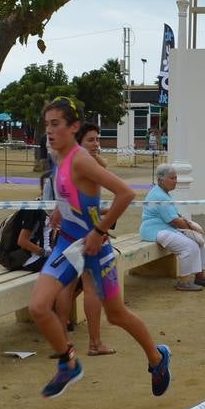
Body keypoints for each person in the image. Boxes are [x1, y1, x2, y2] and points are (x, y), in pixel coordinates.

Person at [28, 98, 171, 398]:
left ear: (73, 127)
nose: (49, 131)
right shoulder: (58, 156)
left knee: (116, 315)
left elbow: (126, 193)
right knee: (39, 307)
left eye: (56, 124)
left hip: (95, 247)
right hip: (68, 244)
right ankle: (68, 363)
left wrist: (98, 231)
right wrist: (59, 209)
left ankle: (157, 359)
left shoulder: (81, 159)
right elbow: (70, 192)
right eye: (46, 125)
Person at [53, 123, 114, 356]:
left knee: (67, 286)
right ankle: (95, 343)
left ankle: (64, 342)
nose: (96, 144)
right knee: (91, 288)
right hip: (87, 235)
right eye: (91, 140)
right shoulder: (82, 166)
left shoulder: (66, 164)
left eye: (98, 139)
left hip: (70, 234)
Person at [142, 163, 205, 291]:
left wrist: (191, 227)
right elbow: (174, 221)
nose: (175, 181)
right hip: (155, 231)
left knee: (198, 241)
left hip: (165, 229)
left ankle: (200, 277)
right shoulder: (159, 195)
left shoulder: (163, 192)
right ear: (161, 180)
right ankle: (183, 282)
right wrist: (194, 228)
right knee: (190, 246)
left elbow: (176, 217)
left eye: (176, 178)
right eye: (172, 178)